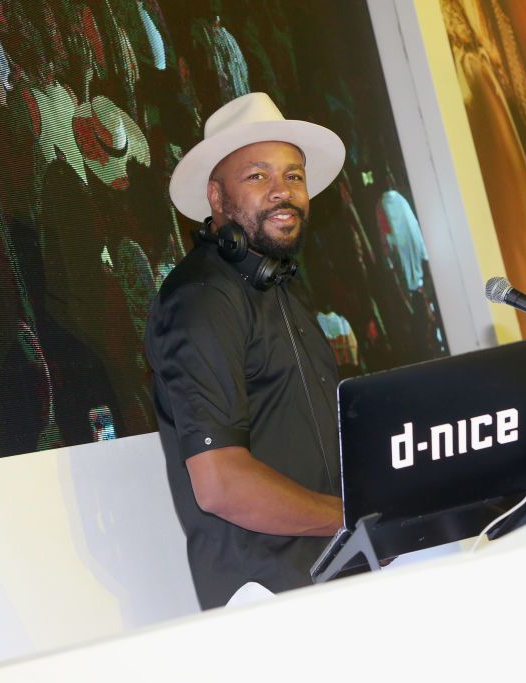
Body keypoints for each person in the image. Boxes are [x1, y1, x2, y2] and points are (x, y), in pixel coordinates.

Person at [145, 92, 346, 609]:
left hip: (331, 574)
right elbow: (221, 484)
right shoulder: (202, 298)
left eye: (294, 176)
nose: (283, 191)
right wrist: (348, 517)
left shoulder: (280, 289)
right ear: (216, 197)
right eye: (258, 176)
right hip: (268, 598)